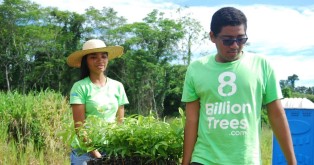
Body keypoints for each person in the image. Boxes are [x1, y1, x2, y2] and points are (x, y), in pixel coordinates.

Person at [181, 7, 296, 165]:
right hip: (204, 159)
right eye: (227, 40)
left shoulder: (262, 65)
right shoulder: (196, 69)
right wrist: (185, 162)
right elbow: (192, 120)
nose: (235, 45)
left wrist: (292, 161)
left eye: (241, 39)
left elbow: (276, 115)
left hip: (246, 160)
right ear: (212, 36)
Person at [67, 39, 129, 165]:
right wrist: (96, 155)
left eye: (104, 56)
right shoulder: (80, 87)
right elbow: (80, 127)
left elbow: (120, 123)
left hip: (111, 149)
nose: (100, 60)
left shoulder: (117, 86)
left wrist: (114, 152)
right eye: (93, 57)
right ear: (86, 61)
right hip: (84, 151)